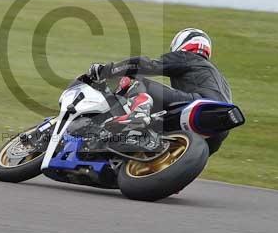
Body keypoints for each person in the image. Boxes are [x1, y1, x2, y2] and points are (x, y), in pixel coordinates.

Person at [88, 27, 233, 153]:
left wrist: (107, 70)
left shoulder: (188, 57)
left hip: (198, 103)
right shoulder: (220, 78)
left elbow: (146, 65)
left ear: (181, 43)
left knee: (133, 80)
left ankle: (138, 113)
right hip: (222, 127)